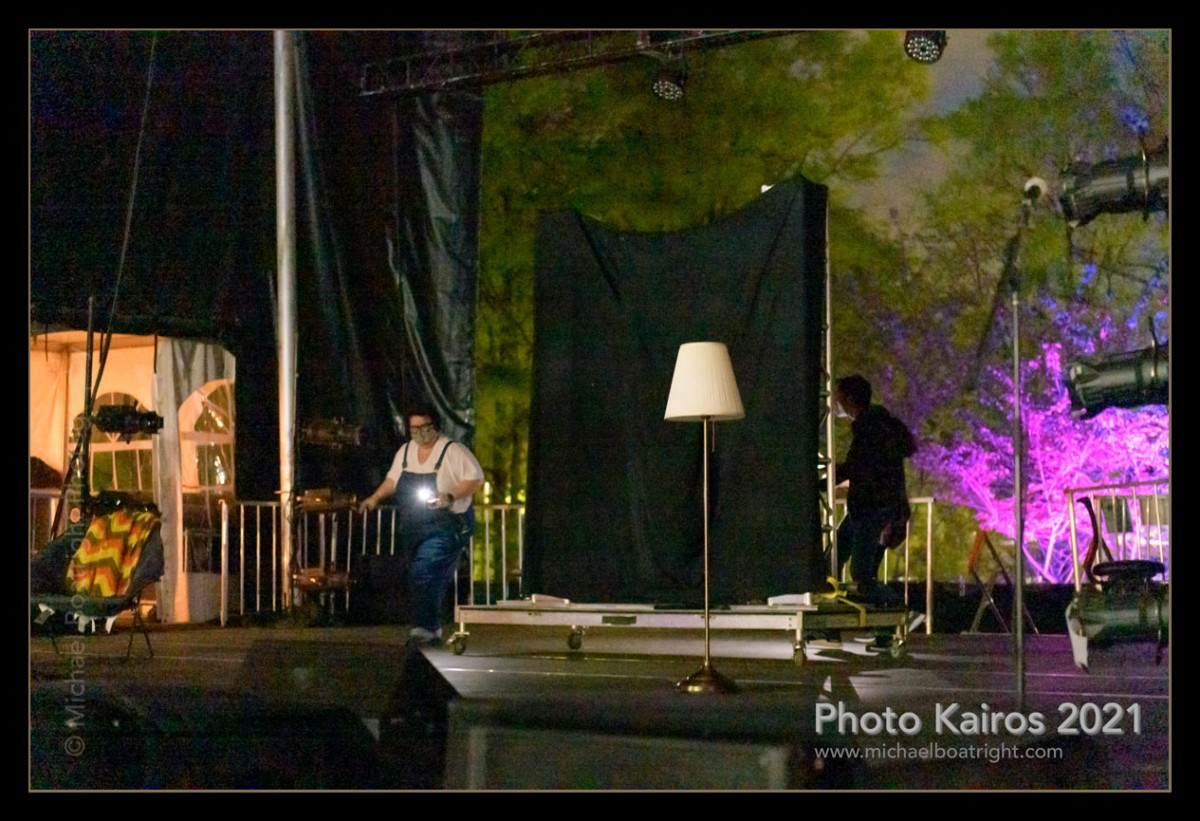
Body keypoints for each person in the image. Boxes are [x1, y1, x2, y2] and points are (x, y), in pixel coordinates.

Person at [359, 405, 484, 646]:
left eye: (425, 428)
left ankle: (424, 628)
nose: (420, 434)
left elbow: (475, 478)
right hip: (415, 525)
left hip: (448, 525)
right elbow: (393, 479)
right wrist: (374, 498)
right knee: (426, 575)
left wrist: (450, 496)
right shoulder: (405, 452)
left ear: (436, 426)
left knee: (424, 570)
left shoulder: (452, 450)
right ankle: (433, 627)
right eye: (414, 429)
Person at [832, 375, 917, 608]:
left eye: (837, 397)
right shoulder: (878, 425)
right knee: (837, 556)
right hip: (872, 507)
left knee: (860, 572)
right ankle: (877, 610)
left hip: (873, 508)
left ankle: (895, 609)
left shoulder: (869, 429)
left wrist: (828, 479)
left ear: (849, 399)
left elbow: (857, 466)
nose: (834, 402)